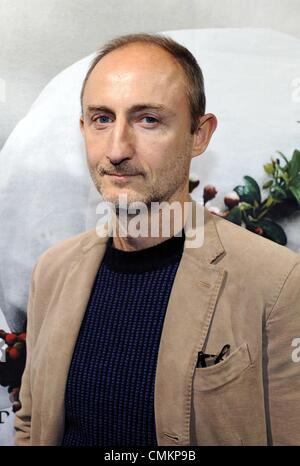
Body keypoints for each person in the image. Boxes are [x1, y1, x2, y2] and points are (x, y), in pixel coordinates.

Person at [14, 33, 300, 446]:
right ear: (83, 128)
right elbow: (31, 422)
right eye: (101, 118)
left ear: (199, 135)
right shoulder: (52, 271)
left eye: (148, 119)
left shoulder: (277, 283)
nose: (117, 149)